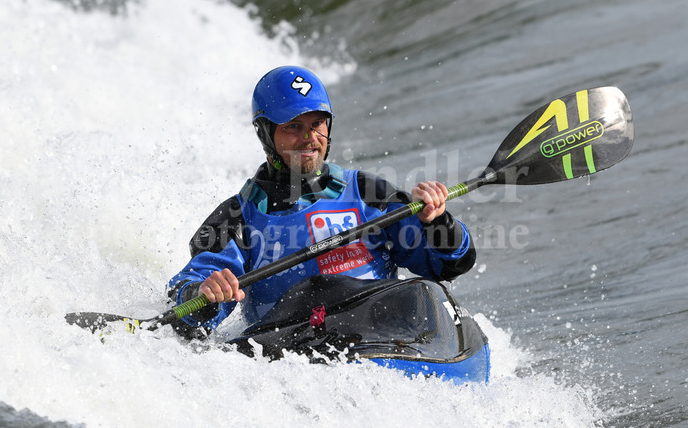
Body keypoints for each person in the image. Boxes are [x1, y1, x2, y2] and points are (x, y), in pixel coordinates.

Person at [166, 65, 476, 337]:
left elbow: (446, 266)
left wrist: (438, 222)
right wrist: (203, 294)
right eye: (293, 127)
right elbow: (188, 305)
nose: (309, 137)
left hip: (381, 337)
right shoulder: (237, 218)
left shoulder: (370, 194)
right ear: (265, 134)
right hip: (293, 352)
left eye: (317, 124)